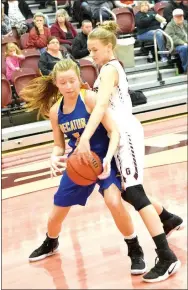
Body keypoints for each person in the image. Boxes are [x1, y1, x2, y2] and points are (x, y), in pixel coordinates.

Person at [74, 20, 182, 283]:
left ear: (110, 47)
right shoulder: (102, 72)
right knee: (128, 192)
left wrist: (85, 137)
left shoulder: (111, 68)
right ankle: (167, 218)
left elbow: (101, 109)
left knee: (134, 191)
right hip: (117, 135)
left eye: (95, 49)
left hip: (126, 135)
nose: (92, 54)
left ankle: (167, 257)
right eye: (89, 49)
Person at [20, 58, 149, 275]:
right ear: (56, 84)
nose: (69, 86)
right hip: (78, 163)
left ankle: (134, 248)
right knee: (55, 216)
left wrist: (108, 158)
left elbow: (114, 131)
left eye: (72, 80)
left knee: (114, 201)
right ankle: (51, 242)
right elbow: (58, 145)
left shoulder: (89, 98)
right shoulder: (55, 111)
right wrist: (54, 157)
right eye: (63, 82)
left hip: (104, 160)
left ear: (79, 79)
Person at [165, 8, 188, 73]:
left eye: (181, 16)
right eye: (177, 16)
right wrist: (183, 43)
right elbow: (172, 37)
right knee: (185, 48)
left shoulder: (185, 23)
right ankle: (186, 69)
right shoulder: (170, 26)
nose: (180, 18)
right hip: (175, 46)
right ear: (174, 17)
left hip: (185, 44)